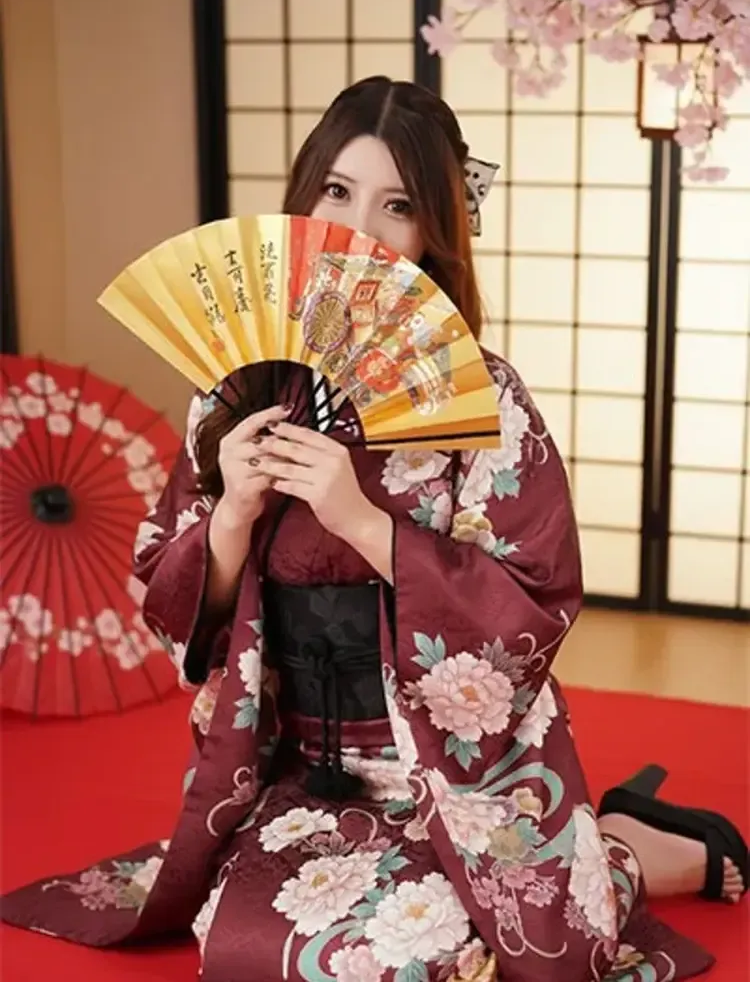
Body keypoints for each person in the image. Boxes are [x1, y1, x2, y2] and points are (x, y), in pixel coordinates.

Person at [2, 76, 746, 982]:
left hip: (453, 768)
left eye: (397, 205)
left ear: (435, 229)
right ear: (304, 198)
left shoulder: (488, 400)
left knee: (478, 954)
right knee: (247, 950)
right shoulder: (238, 385)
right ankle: (605, 847)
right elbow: (172, 603)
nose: (360, 230)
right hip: (297, 763)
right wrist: (232, 512)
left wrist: (364, 522)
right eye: (338, 191)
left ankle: (625, 852)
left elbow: (535, 603)